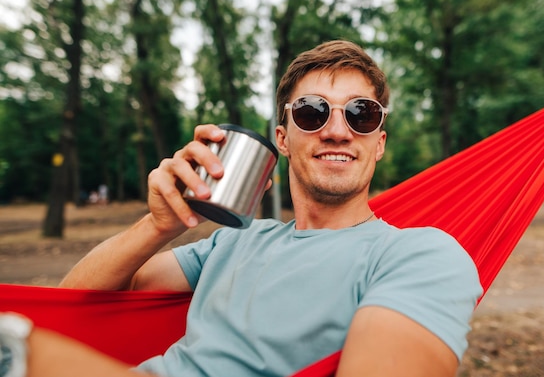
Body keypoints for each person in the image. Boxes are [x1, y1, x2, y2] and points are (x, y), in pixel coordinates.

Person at [3, 40, 482, 377]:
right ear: (282, 139)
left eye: (361, 114)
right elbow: (75, 303)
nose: (337, 131)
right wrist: (158, 224)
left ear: (378, 144)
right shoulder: (232, 241)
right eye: (313, 112)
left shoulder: (420, 255)